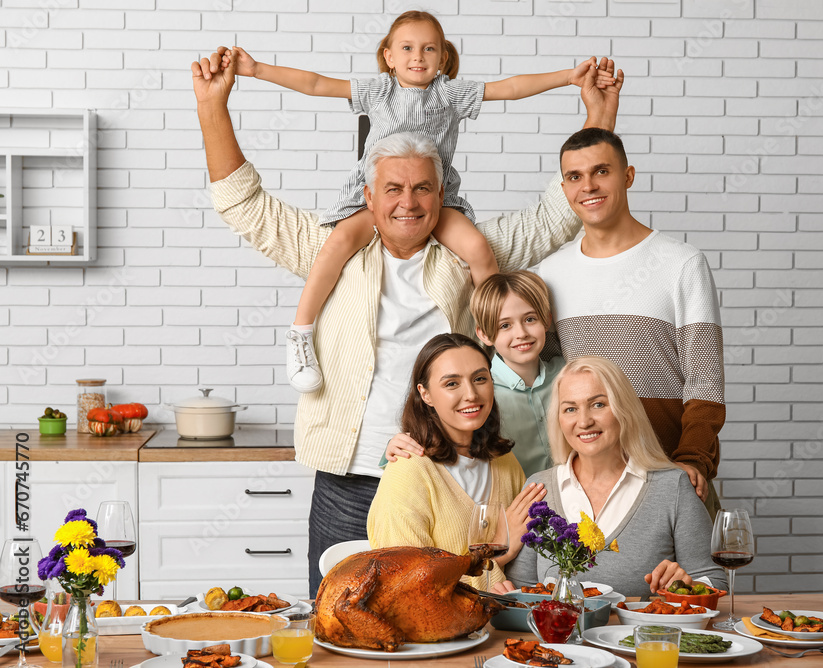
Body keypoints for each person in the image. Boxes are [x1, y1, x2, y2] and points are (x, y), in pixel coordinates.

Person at [191, 46, 623, 596]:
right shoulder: (333, 250)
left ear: (443, 194)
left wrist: (599, 114)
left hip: (448, 479)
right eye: (392, 188)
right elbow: (245, 205)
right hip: (349, 479)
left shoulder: (468, 253)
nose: (408, 202)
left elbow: (554, 217)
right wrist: (212, 106)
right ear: (367, 195)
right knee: (342, 618)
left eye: (423, 188)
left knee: (452, 614)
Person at [222, 10, 611, 393]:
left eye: (429, 49)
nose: (418, 57)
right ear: (389, 57)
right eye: (407, 48)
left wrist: (567, 78)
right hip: (372, 199)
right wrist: (257, 69)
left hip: (434, 200)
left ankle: (494, 335)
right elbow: (315, 83)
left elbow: (510, 88)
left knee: (477, 247)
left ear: (443, 58)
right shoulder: (379, 91)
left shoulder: (450, 94)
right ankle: (301, 335)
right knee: (335, 246)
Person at [535, 128, 725, 516]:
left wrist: (693, 460)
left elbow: (705, 381)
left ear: (628, 176)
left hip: (669, 477)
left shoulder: (681, 263)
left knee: (692, 580)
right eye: (574, 176)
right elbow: (545, 381)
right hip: (585, 491)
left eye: (601, 171)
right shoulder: (550, 273)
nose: (588, 186)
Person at [497, 356, 727, 599]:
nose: (584, 421)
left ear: (623, 409)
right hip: (558, 637)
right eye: (570, 409)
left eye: (598, 404)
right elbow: (523, 591)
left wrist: (685, 585)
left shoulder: (674, 485)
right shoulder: (539, 489)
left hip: (641, 637)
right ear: (559, 419)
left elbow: (716, 581)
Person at [367, 333, 545, 590]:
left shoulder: (504, 462)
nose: (471, 394)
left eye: (480, 379)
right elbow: (409, 587)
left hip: (501, 622)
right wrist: (497, 556)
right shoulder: (408, 470)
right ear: (425, 394)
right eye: (452, 384)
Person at [385, 271, 563, 477]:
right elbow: (434, 432)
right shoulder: (477, 394)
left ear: (547, 321)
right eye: (505, 325)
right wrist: (394, 445)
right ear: (484, 334)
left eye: (530, 319)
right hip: (510, 501)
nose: (521, 333)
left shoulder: (566, 374)